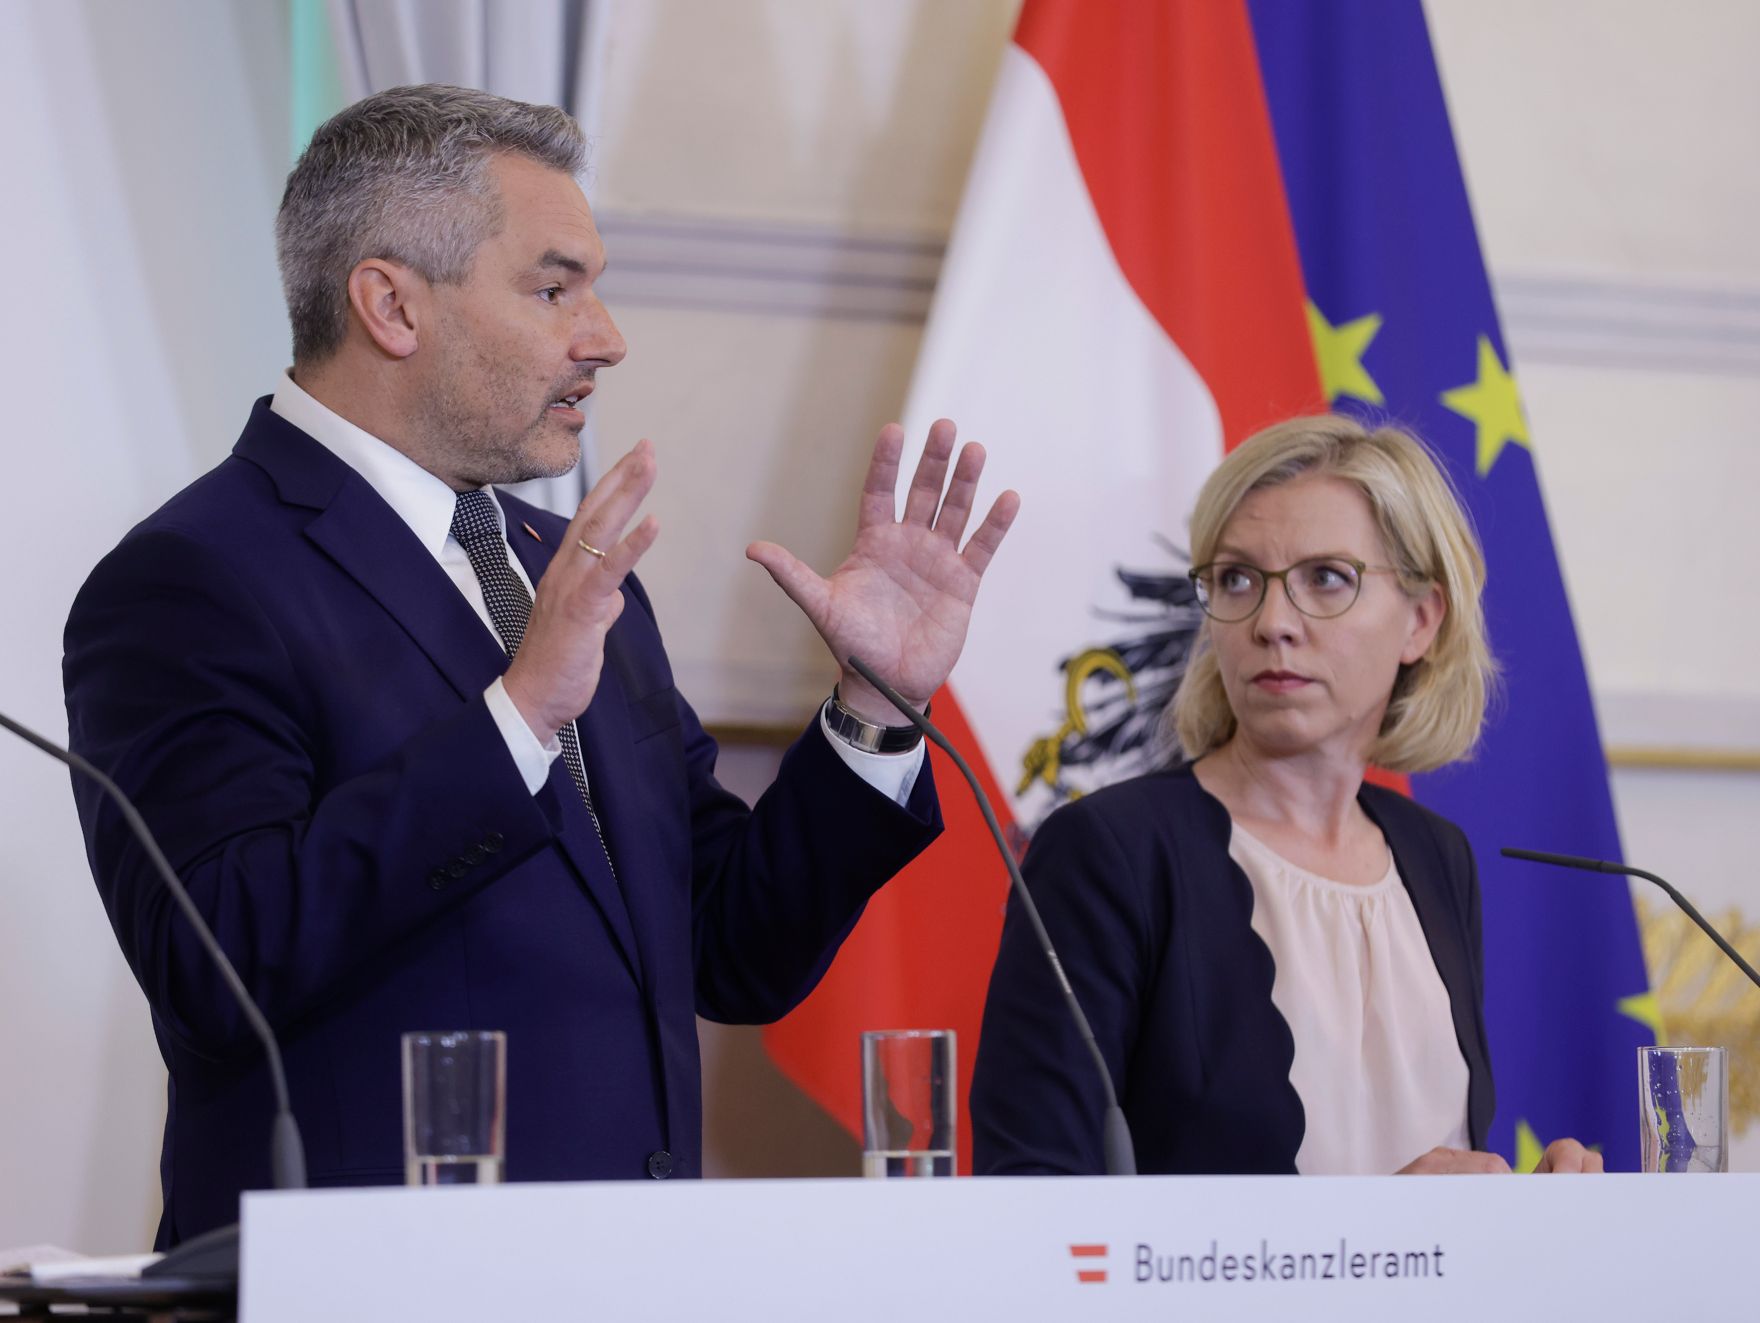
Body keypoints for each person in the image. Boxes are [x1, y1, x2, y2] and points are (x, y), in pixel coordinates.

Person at [63, 84, 1019, 1247]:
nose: (605, 336)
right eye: (554, 287)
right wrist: (514, 719)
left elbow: (726, 947)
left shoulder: (553, 566)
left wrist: (873, 708)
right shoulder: (193, 578)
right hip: (373, 1291)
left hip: (628, 1276)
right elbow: (222, 964)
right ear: (390, 305)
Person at [970, 413, 1597, 1177]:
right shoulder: (1110, 852)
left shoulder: (1437, 857)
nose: (1271, 622)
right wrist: (1373, 1237)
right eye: (1237, 579)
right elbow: (1036, 1200)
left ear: (1421, 621)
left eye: (1326, 578)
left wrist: (1539, 1211)